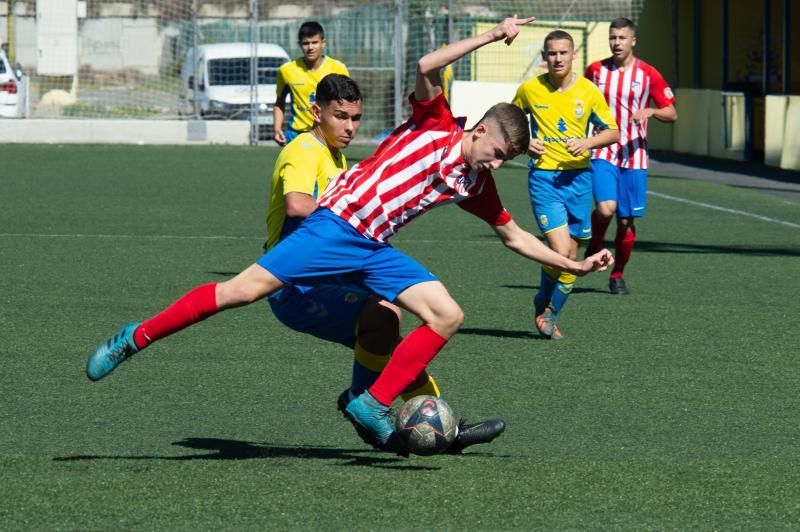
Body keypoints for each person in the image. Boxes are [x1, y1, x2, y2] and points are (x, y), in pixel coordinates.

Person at [86, 16, 613, 454]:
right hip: (336, 227)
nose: (498, 162)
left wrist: (577, 265)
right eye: (496, 151)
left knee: (447, 313)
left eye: (506, 159)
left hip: (375, 248)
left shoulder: (476, 183)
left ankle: (370, 403)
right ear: (477, 130)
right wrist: (492, 34)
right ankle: (134, 338)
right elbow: (428, 65)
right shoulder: (435, 122)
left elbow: (516, 237)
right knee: (239, 292)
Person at [264, 73, 504, 453]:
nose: (350, 127)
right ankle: (368, 402)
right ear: (316, 113)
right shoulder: (304, 150)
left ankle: (439, 426)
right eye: (341, 117)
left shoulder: (332, 154)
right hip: (299, 285)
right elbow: (297, 203)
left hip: (329, 274)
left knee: (390, 340)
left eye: (356, 118)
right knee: (385, 311)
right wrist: (347, 225)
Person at [513, 30, 620, 340]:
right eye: (551, 53)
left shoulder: (588, 92)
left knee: (572, 255)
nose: (557, 58)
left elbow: (612, 132)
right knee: (562, 250)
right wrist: (526, 142)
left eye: (563, 53)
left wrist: (588, 142)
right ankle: (548, 312)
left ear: (574, 55)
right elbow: (509, 123)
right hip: (545, 179)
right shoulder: (530, 90)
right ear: (544, 57)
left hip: (579, 180)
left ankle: (547, 307)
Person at [584, 17, 678, 294]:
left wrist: (652, 111)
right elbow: (579, 97)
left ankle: (617, 274)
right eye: (613, 37)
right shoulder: (596, 70)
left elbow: (672, 113)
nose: (616, 43)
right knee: (605, 209)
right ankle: (595, 242)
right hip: (603, 150)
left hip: (634, 156)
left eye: (622, 38)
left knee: (626, 221)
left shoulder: (648, 74)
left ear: (633, 41)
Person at [273, 21, 349, 146]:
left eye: (314, 42)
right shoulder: (286, 70)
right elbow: (279, 103)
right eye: (306, 43)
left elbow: (346, 104)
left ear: (323, 43)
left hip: (326, 134)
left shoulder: (338, 69)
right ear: (299, 45)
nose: (310, 47)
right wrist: (277, 129)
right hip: (296, 134)